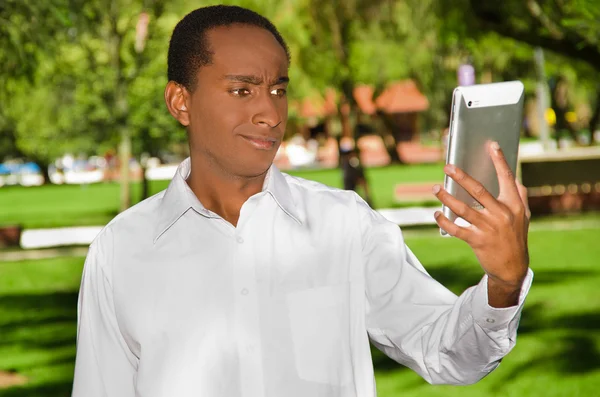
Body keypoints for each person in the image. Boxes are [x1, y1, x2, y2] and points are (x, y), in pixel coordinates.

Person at [71, 5, 533, 397]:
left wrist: (504, 285)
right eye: (242, 90)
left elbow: (446, 354)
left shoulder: (345, 226)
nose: (270, 113)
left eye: (278, 89)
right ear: (180, 102)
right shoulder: (120, 253)